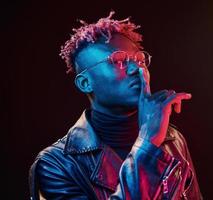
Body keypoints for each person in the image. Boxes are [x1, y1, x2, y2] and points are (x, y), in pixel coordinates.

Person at [29, 11, 203, 200]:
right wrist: (147, 144)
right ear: (85, 83)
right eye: (118, 61)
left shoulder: (174, 140)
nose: (137, 69)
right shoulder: (55, 164)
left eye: (140, 60)